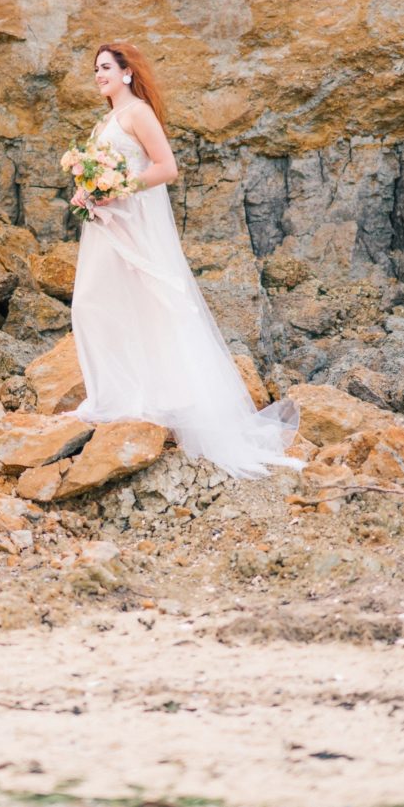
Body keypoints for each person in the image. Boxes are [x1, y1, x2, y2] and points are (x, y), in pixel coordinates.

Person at [67, 41, 305, 479]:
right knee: (95, 305)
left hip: (131, 223)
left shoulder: (137, 112)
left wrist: (114, 189)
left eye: (105, 67)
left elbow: (166, 168)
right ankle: (117, 397)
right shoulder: (107, 119)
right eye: (95, 68)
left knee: (133, 305)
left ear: (126, 72)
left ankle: (136, 400)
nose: (98, 74)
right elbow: (103, 168)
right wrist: (87, 189)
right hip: (106, 226)